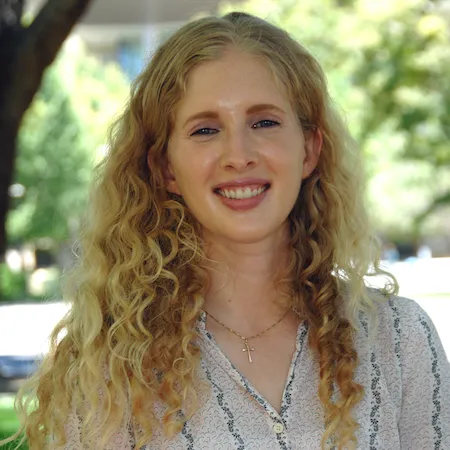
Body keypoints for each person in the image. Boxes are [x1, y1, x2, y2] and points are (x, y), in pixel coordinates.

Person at [6, 11, 450, 450]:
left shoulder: (401, 339)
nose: (238, 154)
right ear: (166, 168)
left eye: (264, 123)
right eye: (205, 129)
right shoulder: (109, 366)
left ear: (310, 150)